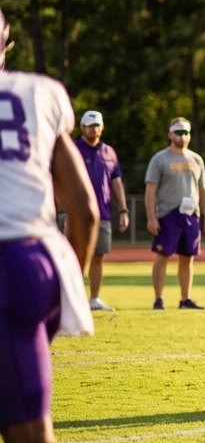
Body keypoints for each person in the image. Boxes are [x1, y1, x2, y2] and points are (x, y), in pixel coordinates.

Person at [0, 8, 166, 443]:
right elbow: (87, 211)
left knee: (29, 441)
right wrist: (62, 282)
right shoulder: (40, 92)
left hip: (5, 264)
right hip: (41, 262)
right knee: (24, 438)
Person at [144, 117, 205, 310]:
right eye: (179, 132)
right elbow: (150, 190)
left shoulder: (196, 159)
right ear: (170, 134)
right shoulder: (160, 159)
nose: (182, 136)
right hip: (167, 213)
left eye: (186, 133)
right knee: (162, 256)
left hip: (190, 214)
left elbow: (203, 190)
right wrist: (151, 217)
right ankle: (158, 299)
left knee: (187, 257)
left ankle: (185, 299)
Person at [74, 110, 128, 312]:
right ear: (82, 128)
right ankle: (73, 300)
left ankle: (94, 299)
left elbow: (116, 182)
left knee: (98, 256)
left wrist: (123, 210)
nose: (93, 129)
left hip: (102, 213)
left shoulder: (109, 152)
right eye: (89, 125)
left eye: (96, 125)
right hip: (76, 212)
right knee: (75, 256)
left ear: (102, 128)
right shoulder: (73, 149)